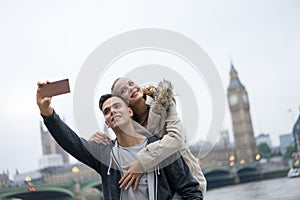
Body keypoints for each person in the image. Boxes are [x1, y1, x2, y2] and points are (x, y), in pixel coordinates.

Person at [36, 81, 203, 200]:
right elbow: (71, 142)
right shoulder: (106, 156)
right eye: (107, 111)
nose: (112, 112)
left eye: (117, 106)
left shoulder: (160, 148)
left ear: (130, 111)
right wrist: (47, 113)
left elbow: (191, 192)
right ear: (107, 123)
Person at [91, 78, 207, 197]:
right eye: (123, 90)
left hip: (187, 181)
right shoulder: (127, 125)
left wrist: (142, 161)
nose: (131, 88)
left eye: (131, 83)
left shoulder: (164, 103)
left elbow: (176, 139)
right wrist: (95, 141)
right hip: (161, 188)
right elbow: (123, 149)